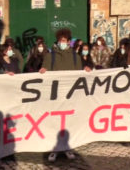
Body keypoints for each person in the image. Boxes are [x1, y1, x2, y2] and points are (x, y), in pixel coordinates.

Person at [39, 28, 90, 162]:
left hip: (70, 96)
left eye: (65, 40)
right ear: (58, 41)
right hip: (55, 96)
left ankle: (67, 147)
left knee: (69, 123)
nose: (63, 42)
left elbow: (79, 74)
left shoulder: (75, 57)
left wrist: (85, 70)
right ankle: (54, 149)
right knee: (54, 122)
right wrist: (43, 70)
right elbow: (44, 72)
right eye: (60, 40)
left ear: (68, 42)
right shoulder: (50, 56)